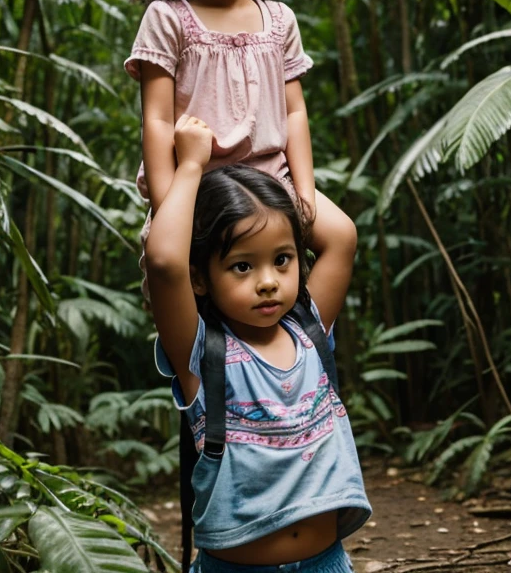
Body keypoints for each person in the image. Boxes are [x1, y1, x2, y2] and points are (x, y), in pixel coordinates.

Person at [125, 0, 357, 292]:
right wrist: (168, 202)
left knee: (341, 236)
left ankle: (302, 351)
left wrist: (305, 195)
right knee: (168, 261)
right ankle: (193, 363)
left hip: (272, 180)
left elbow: (294, 113)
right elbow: (156, 120)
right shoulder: (168, 19)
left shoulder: (280, 21)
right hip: (200, 187)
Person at [146, 114, 371, 573]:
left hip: (325, 563)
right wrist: (191, 166)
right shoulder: (201, 354)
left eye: (283, 260)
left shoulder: (308, 327)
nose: (269, 282)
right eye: (242, 267)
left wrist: (268, 159)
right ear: (201, 280)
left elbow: (341, 236)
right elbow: (166, 260)